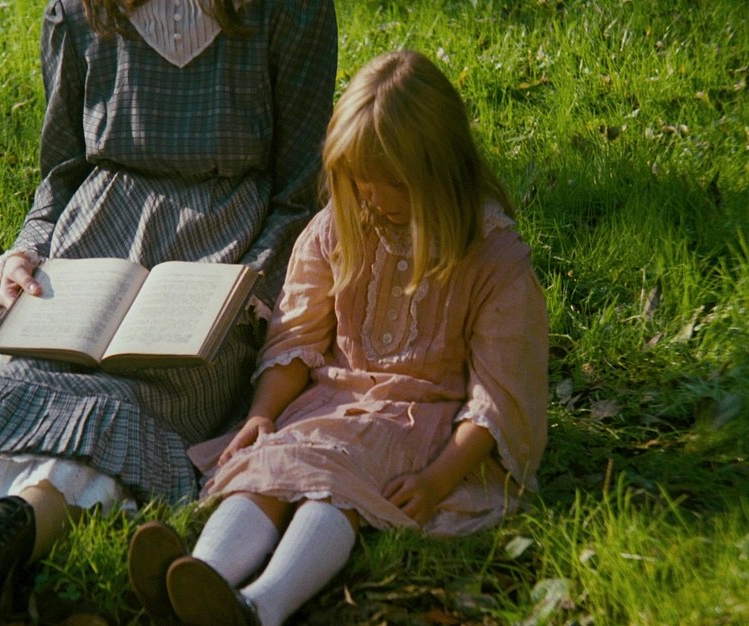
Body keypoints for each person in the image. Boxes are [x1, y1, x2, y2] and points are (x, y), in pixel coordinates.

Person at [0, 0, 337, 622]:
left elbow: (299, 193)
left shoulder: (289, 12)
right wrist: (26, 253)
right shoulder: (79, 11)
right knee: (9, 372)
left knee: (132, 400)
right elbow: (61, 175)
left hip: (218, 261)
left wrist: (252, 285)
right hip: (89, 250)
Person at [126, 49, 549, 626]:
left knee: (332, 488)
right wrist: (263, 413)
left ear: (441, 172)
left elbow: (496, 397)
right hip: (333, 403)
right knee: (276, 464)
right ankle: (200, 577)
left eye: (392, 183)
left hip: (422, 421)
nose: (374, 197)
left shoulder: (493, 259)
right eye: (361, 180)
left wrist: (438, 479)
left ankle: (258, 606)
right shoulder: (341, 228)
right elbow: (296, 334)